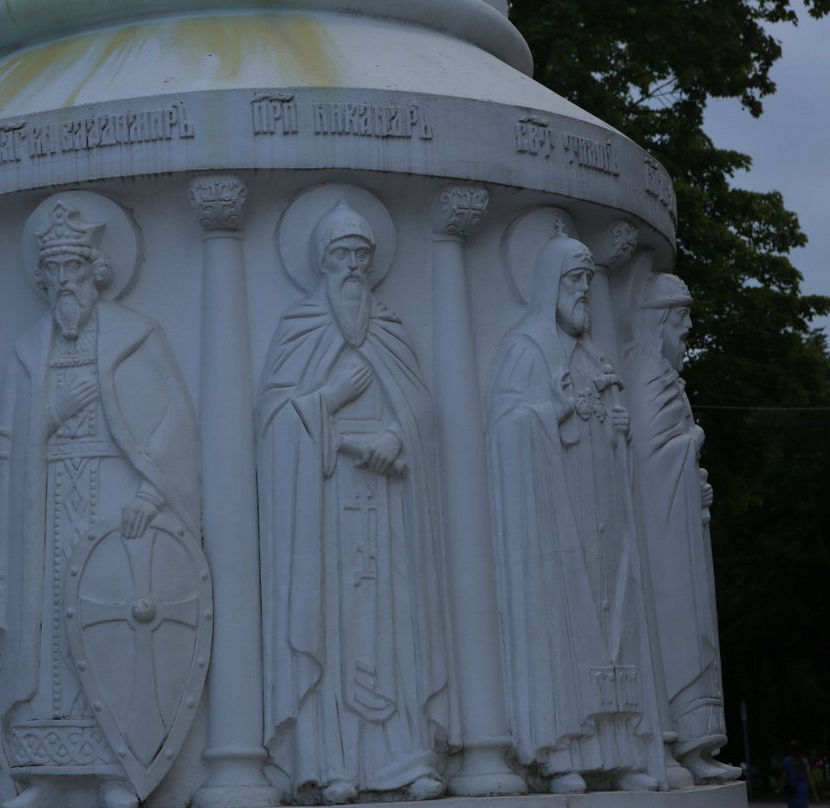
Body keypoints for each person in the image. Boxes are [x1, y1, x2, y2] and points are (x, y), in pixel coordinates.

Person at [0, 199, 201, 808]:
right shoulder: (30, 352)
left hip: (115, 503)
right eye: (52, 273)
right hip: (48, 504)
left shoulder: (136, 337)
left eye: (73, 270)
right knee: (51, 628)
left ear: (96, 271)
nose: (63, 284)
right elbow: (7, 444)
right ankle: (46, 773)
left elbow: (173, 424)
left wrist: (151, 493)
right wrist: (52, 416)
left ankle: (117, 769)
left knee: (114, 623)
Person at [257, 200, 453, 804]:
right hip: (323, 507)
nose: (352, 269)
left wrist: (398, 436)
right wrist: (330, 404)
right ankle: (333, 764)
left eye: (362, 257)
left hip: (387, 502)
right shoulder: (300, 329)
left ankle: (407, 759)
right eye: (341, 256)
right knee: (331, 628)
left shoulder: (389, 328)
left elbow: (421, 408)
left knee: (395, 623)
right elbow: (272, 422)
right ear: (321, 262)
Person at [486, 229, 662, 793]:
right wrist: (552, 409)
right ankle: (562, 753)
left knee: (615, 624)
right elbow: (506, 427)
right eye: (575, 280)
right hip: (552, 514)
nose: (584, 290)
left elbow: (609, 420)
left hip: (601, 508)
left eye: (589, 280)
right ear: (548, 286)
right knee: (564, 625)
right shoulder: (525, 348)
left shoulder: (593, 353)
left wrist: (618, 431)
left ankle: (619, 753)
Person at [627, 273, 740, 783]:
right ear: (658, 324)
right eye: (681, 321)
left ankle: (699, 743)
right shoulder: (646, 375)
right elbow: (651, 455)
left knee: (696, 629)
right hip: (662, 537)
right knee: (677, 627)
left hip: (680, 528)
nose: (688, 331)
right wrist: (692, 439)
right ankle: (679, 739)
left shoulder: (668, 380)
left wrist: (698, 485)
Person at [782, 741, 820, 808]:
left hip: (791, 788)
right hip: (802, 788)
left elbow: (784, 776)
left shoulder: (787, 760)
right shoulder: (804, 761)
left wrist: (781, 787)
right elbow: (809, 778)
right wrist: (815, 794)